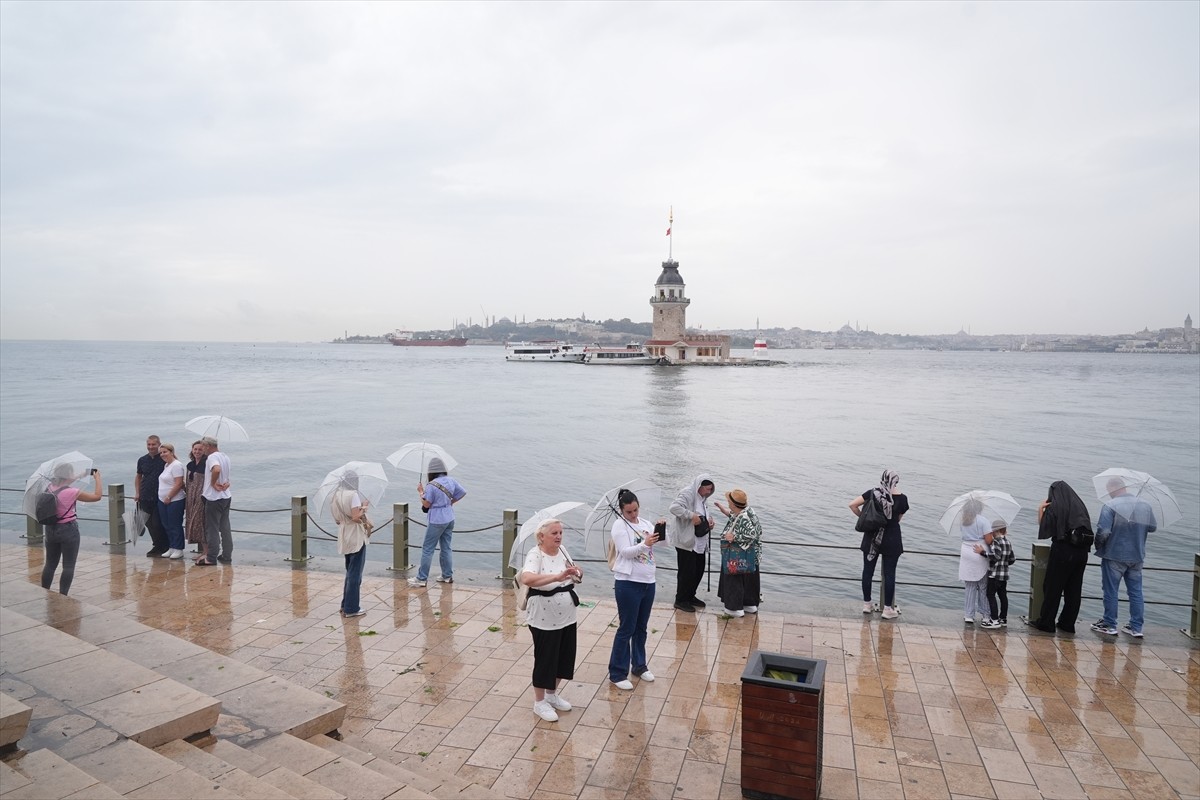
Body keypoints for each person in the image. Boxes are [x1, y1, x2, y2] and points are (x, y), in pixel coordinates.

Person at [518, 518, 584, 721]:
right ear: (541, 536)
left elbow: (572, 573)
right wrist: (556, 578)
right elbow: (527, 578)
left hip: (567, 615)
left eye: (560, 532)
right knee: (546, 658)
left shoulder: (563, 550)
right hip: (544, 617)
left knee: (565, 656)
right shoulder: (535, 554)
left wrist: (575, 572)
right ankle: (539, 703)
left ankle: (552, 695)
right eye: (554, 533)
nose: (558, 536)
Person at [607, 488, 663, 690]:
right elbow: (625, 552)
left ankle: (639, 665)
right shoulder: (619, 526)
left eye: (636, 510)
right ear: (622, 510)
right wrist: (644, 544)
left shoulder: (646, 524)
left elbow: (662, 544)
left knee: (641, 627)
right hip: (628, 582)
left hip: (648, 581)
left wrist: (661, 531)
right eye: (629, 511)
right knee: (626, 628)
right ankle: (617, 672)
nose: (633, 514)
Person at [1023, 480, 1092, 634]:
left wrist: (1040, 509)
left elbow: (1045, 529)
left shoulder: (1057, 506)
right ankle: (1067, 624)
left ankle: (1046, 623)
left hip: (1063, 551)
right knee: (1074, 590)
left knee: (1052, 587)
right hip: (1081, 553)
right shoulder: (1080, 507)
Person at [1090, 477, 1157, 638]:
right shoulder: (1145, 505)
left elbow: (1104, 532)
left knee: (1111, 590)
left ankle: (1110, 624)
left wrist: (1098, 546)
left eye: (1108, 490)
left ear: (1113, 488)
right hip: (1137, 555)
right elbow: (1152, 527)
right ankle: (1136, 628)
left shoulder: (1110, 506)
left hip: (1114, 555)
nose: (1108, 494)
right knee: (1136, 592)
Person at [850, 470, 909, 620]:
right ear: (896, 481)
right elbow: (898, 519)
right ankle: (887, 609)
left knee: (867, 571)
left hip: (872, 538)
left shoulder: (872, 493)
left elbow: (853, 505)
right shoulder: (902, 499)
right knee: (889, 574)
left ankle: (867, 605)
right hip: (892, 539)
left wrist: (866, 518)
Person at [41, 464, 103, 595]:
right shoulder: (72, 492)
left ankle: (43, 590)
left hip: (50, 529)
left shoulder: (49, 487)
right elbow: (97, 496)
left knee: (50, 564)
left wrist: (84, 473)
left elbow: (65, 481)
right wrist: (97, 478)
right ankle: (63, 595)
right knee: (68, 565)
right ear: (68, 476)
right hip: (68, 530)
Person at [408, 457, 466, 588]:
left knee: (428, 549)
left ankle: (421, 578)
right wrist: (450, 503)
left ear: (431, 471)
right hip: (449, 516)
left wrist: (420, 492)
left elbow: (426, 504)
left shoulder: (431, 485)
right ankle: (447, 575)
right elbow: (462, 492)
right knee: (446, 547)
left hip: (436, 520)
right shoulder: (451, 480)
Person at [666, 474, 715, 612]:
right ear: (699, 486)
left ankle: (690, 595)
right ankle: (680, 599)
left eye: (710, 489)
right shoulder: (687, 494)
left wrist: (709, 521)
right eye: (706, 489)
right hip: (686, 540)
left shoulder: (704, 498)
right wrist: (691, 515)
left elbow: (703, 513)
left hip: (699, 540)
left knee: (698, 569)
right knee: (686, 571)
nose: (708, 492)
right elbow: (674, 507)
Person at [714, 488, 762, 617]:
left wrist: (734, 537)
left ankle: (734, 608)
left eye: (729, 501)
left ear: (734, 504)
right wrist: (724, 511)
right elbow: (737, 517)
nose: (728, 503)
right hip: (751, 556)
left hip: (738, 555)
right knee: (749, 578)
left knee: (734, 578)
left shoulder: (743, 517)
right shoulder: (748, 511)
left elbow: (752, 534)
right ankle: (749, 604)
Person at [332, 472, 372, 619]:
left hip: (343, 534)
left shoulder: (336, 495)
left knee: (349, 570)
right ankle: (351, 608)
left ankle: (345, 604)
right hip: (355, 535)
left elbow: (337, 519)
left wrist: (356, 511)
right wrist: (364, 507)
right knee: (355, 572)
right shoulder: (353, 495)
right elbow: (356, 517)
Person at [197, 436, 233, 566]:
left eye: (203, 447)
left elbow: (216, 469)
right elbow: (226, 475)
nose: (202, 450)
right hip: (226, 496)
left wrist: (212, 483)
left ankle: (211, 557)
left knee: (211, 528)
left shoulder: (212, 457)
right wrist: (226, 482)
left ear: (208, 446)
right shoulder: (225, 456)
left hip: (214, 497)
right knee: (225, 527)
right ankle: (227, 554)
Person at [976, 518, 1016, 630]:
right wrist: (1004, 563)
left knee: (990, 595)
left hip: (994, 575)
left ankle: (994, 620)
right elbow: (1012, 559)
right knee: (1003, 596)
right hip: (1004, 575)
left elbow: (996, 556)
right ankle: (1003, 618)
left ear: (995, 531)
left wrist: (983, 553)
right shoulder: (1008, 542)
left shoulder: (996, 542)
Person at [958, 498, 991, 625]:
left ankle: (968, 615)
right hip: (979, 551)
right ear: (979, 509)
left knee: (970, 585)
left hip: (966, 552)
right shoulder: (983, 521)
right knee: (983, 586)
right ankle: (985, 614)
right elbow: (988, 540)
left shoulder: (964, 521)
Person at [135, 435, 167, 557]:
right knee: (148, 523)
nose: (151, 447)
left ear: (159, 444)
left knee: (158, 523)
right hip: (145, 495)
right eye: (149, 444)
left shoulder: (164, 458)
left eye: (153, 444)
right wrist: (137, 492)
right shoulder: (142, 460)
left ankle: (164, 545)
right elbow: (138, 476)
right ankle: (157, 545)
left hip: (160, 496)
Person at [156, 443, 186, 560]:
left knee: (175, 524)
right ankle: (172, 546)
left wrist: (169, 497)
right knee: (166, 524)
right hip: (162, 500)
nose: (163, 454)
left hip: (175, 500)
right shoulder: (167, 465)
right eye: (161, 453)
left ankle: (179, 548)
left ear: (171, 452)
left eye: (165, 452)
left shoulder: (177, 465)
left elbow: (179, 483)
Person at [184, 441, 207, 562]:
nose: (197, 451)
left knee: (201, 523)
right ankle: (203, 551)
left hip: (201, 497)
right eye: (195, 449)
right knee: (193, 522)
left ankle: (207, 552)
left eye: (200, 449)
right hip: (190, 498)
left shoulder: (206, 465)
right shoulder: (190, 465)